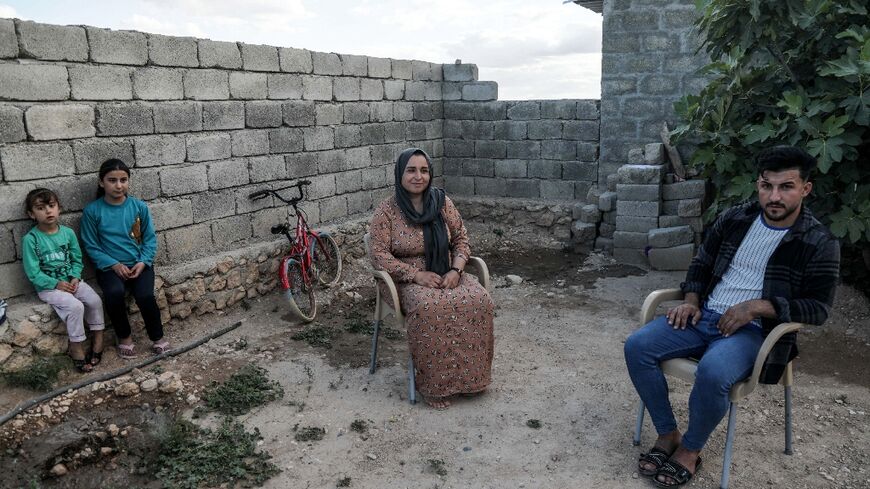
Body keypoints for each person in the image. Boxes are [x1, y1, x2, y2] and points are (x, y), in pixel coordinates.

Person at [624, 145, 840, 487]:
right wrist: (692, 299)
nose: (774, 196)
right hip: (705, 315)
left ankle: (690, 450)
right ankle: (668, 434)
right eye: (767, 185)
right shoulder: (736, 218)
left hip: (754, 332)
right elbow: (701, 263)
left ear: (805, 189)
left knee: (713, 371)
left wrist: (756, 307)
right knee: (637, 346)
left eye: (786, 187)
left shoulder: (817, 241)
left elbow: (818, 308)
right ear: (758, 184)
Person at [369, 148, 495, 409]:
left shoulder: (442, 202)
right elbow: (379, 254)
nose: (418, 176)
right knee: (430, 308)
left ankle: (470, 379)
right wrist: (416, 275)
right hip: (404, 278)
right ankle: (435, 387)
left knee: (478, 300)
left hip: (446, 271)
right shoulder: (387, 211)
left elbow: (461, 237)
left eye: (424, 170)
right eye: (411, 170)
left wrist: (457, 270)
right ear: (400, 174)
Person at [80, 159, 170, 359]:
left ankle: (157, 338)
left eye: (123, 180)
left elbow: (149, 239)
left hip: (139, 264)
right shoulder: (92, 211)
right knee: (114, 292)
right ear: (102, 182)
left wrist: (143, 261)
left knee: (145, 296)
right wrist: (113, 264)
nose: (118, 185)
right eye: (112, 180)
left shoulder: (138, 207)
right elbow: (91, 245)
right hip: (109, 267)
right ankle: (125, 338)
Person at [22, 188, 105, 372]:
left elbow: (77, 259)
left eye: (52, 206)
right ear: (31, 214)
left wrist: (75, 277)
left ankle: (99, 338)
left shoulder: (67, 233)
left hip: (72, 281)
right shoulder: (31, 239)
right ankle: (76, 347)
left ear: (59, 208)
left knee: (94, 300)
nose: (48, 211)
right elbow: (33, 272)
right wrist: (55, 284)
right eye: (41, 208)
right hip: (49, 288)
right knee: (75, 306)